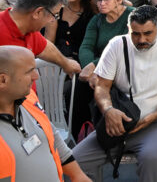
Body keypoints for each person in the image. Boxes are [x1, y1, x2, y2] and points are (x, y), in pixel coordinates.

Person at [72, 5, 157, 182]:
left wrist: (155, 115)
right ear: (129, 28)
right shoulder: (116, 44)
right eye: (135, 34)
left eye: (148, 33)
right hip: (119, 121)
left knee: (151, 158)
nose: (141, 39)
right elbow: (101, 86)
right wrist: (108, 111)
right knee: (75, 160)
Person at [0, 45, 93, 182]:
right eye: (29, 71)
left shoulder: (29, 98)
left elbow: (52, 134)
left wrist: (77, 175)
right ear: (3, 80)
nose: (36, 76)